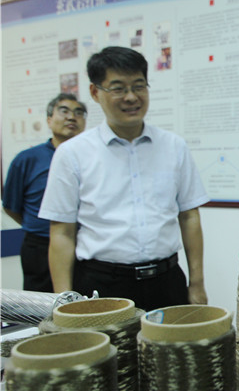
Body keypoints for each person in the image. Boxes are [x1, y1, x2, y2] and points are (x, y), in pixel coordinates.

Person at [39, 46, 209, 311]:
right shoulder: (72, 153)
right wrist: (63, 303)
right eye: (118, 88)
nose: (131, 97)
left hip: (166, 281)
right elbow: (62, 232)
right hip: (102, 285)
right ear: (95, 92)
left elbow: (189, 217)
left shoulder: (174, 146)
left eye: (139, 86)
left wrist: (197, 283)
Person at [3, 93, 87, 292]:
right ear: (49, 120)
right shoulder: (27, 159)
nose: (71, 117)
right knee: (42, 304)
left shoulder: (91, 158)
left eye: (78, 113)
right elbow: (10, 206)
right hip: (39, 247)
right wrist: (39, 225)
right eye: (64, 111)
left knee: (84, 302)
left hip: (84, 244)